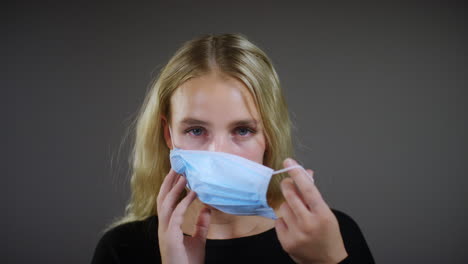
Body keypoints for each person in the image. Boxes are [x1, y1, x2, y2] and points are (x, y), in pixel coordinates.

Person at [91, 33, 375, 264]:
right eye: (196, 130)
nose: (219, 153)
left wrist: (328, 261)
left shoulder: (331, 235)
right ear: (169, 135)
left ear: (269, 135)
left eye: (242, 130)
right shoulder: (122, 250)